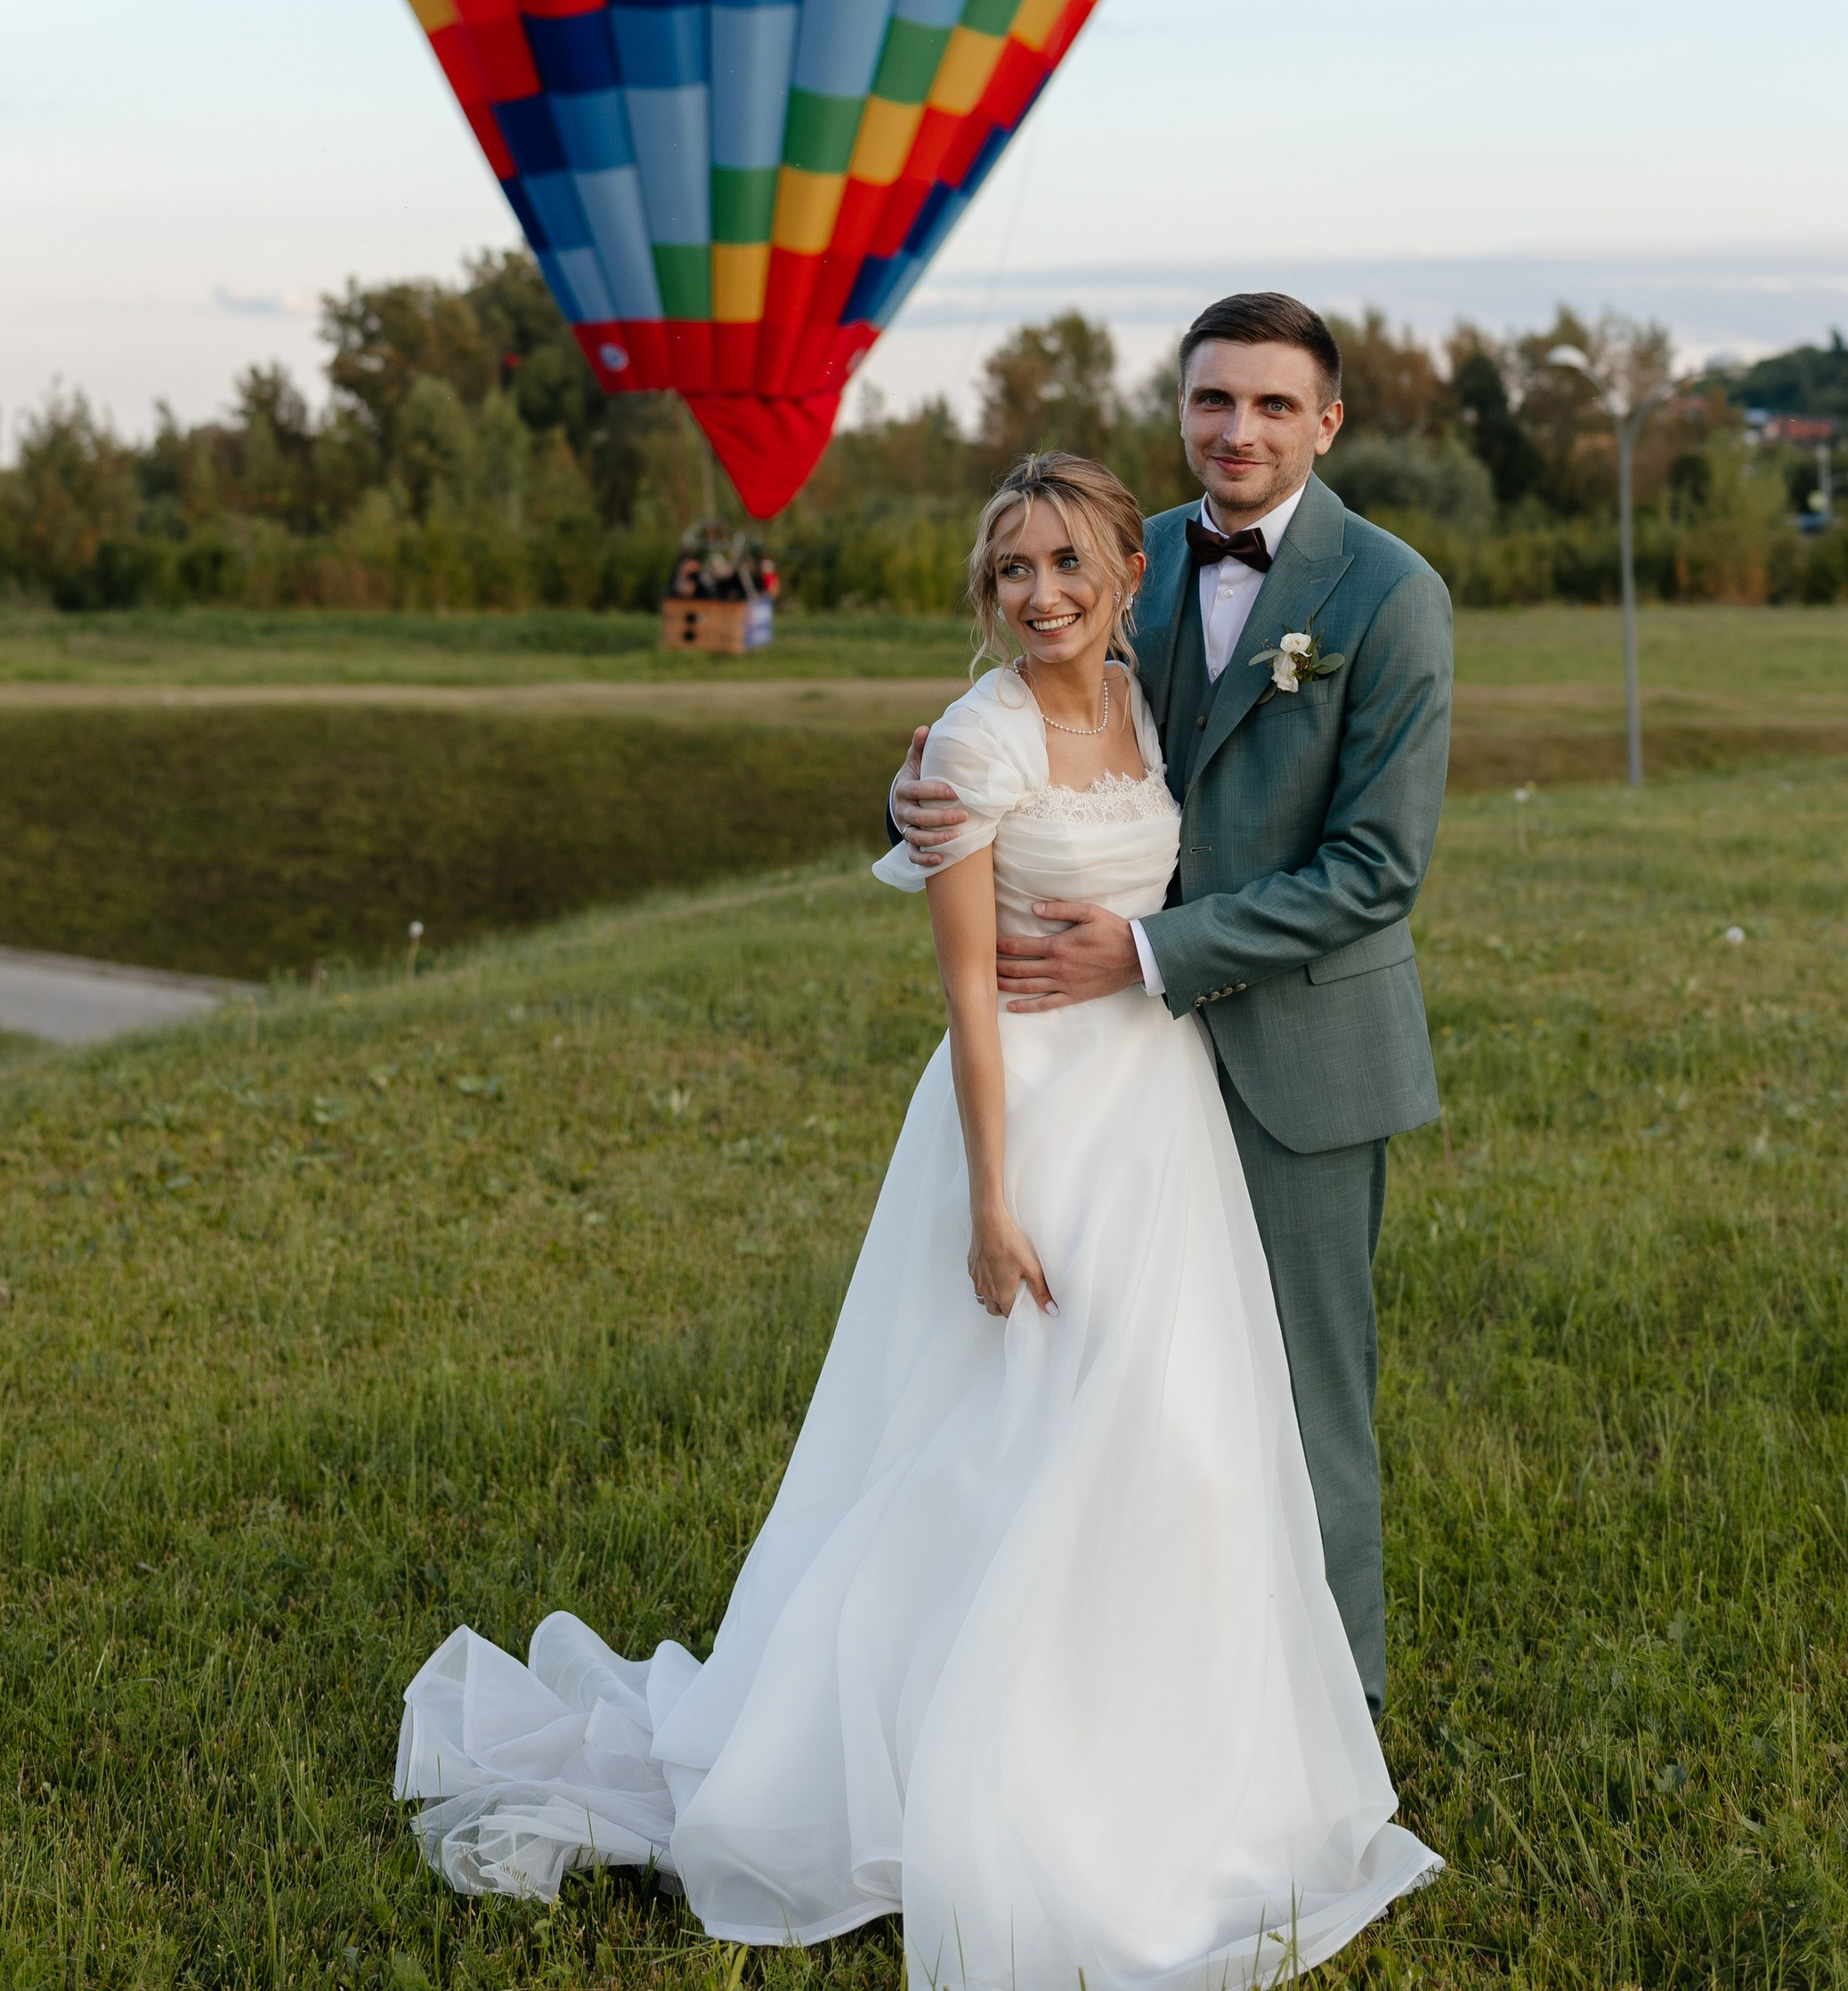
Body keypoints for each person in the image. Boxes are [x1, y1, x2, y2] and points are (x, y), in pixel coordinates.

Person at [394, 448, 1440, 1988]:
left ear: (1123, 578)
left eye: (1068, 567)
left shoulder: (1144, 698)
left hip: (1162, 1120)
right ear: (986, 587)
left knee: (1176, 1435)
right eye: (1013, 571)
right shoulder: (975, 739)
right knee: (994, 1455)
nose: (1044, 593)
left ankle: (1164, 1731)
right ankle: (959, 1761)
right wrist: (994, 1206)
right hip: (1028, 1134)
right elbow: (966, 995)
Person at [888, 289, 1453, 1716]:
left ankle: (1334, 1718)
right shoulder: (1133, 577)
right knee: (1145, 1398)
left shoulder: (1389, 595)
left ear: (1327, 421)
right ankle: (1143, 1695)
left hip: (1297, 1053)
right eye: (1213, 400)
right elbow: (1048, 734)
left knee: (1304, 1401)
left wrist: (1146, 956)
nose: (1239, 428)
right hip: (1121, 1088)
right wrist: (917, 803)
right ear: (1182, 411)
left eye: (1273, 404)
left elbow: (1378, 869)